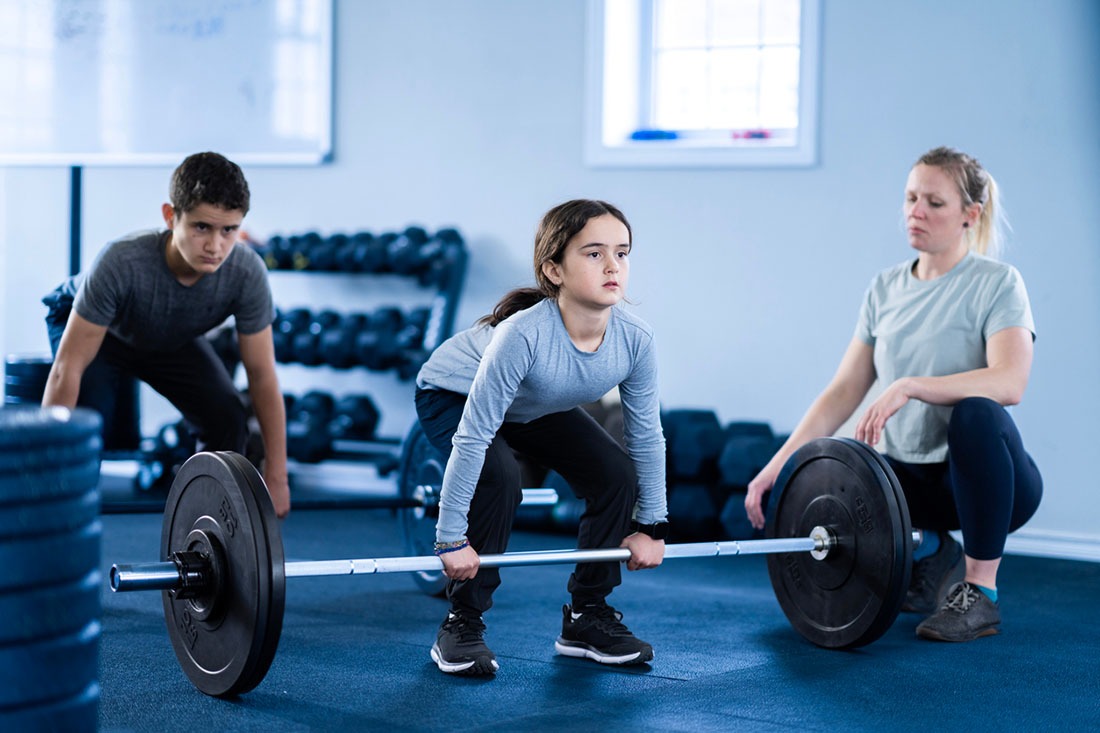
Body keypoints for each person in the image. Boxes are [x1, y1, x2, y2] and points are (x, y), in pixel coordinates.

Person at [746, 146, 1042, 643]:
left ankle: (980, 592)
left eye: (934, 202)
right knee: (847, 457)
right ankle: (937, 551)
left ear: (971, 215)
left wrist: (910, 386)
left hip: (988, 484)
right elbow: (843, 391)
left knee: (975, 414)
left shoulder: (998, 283)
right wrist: (777, 467)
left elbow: (1009, 382)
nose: (915, 211)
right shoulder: (884, 288)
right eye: (910, 198)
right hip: (911, 487)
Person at [414, 199, 668, 676]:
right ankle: (461, 622)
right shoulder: (523, 335)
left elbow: (646, 437)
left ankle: (586, 615)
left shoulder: (636, 339)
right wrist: (450, 540)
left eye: (622, 252)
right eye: (594, 254)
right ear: (554, 269)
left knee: (613, 473)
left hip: (531, 406)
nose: (613, 265)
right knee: (500, 479)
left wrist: (652, 525)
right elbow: (472, 438)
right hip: (452, 394)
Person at [41, 152, 290, 518]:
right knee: (91, 427)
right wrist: (51, 473)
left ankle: (207, 532)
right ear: (170, 216)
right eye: (201, 227)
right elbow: (67, 369)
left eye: (229, 230)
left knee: (227, 419)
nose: (215, 246)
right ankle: (63, 518)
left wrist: (277, 476)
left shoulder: (246, 272)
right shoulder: (122, 263)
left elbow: (262, 376)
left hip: (165, 334)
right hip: (98, 331)